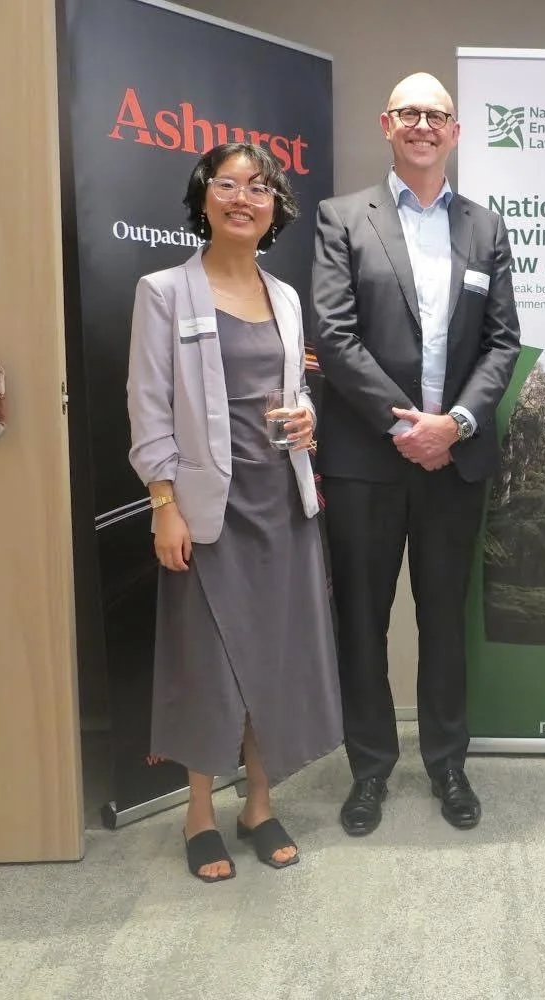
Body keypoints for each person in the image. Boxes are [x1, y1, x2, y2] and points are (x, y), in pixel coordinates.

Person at [311, 73, 520, 836]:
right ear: (386, 124)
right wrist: (406, 427)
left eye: (436, 114)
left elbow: (502, 341)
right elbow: (332, 336)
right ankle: (368, 769)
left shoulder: (485, 228)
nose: (423, 125)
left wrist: (455, 423)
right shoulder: (343, 219)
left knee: (442, 619)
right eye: (409, 113)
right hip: (366, 459)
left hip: (454, 463)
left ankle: (447, 763)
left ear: (455, 131)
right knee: (361, 620)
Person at [127, 143, 342, 883]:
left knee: (271, 661)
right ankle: (197, 812)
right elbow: (148, 408)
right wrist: (163, 504)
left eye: (259, 187)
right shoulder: (163, 292)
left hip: (282, 503)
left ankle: (257, 804)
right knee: (208, 665)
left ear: (275, 206)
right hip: (205, 509)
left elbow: (293, 391)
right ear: (205, 198)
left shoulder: (284, 297)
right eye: (227, 185)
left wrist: (306, 417)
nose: (243, 198)